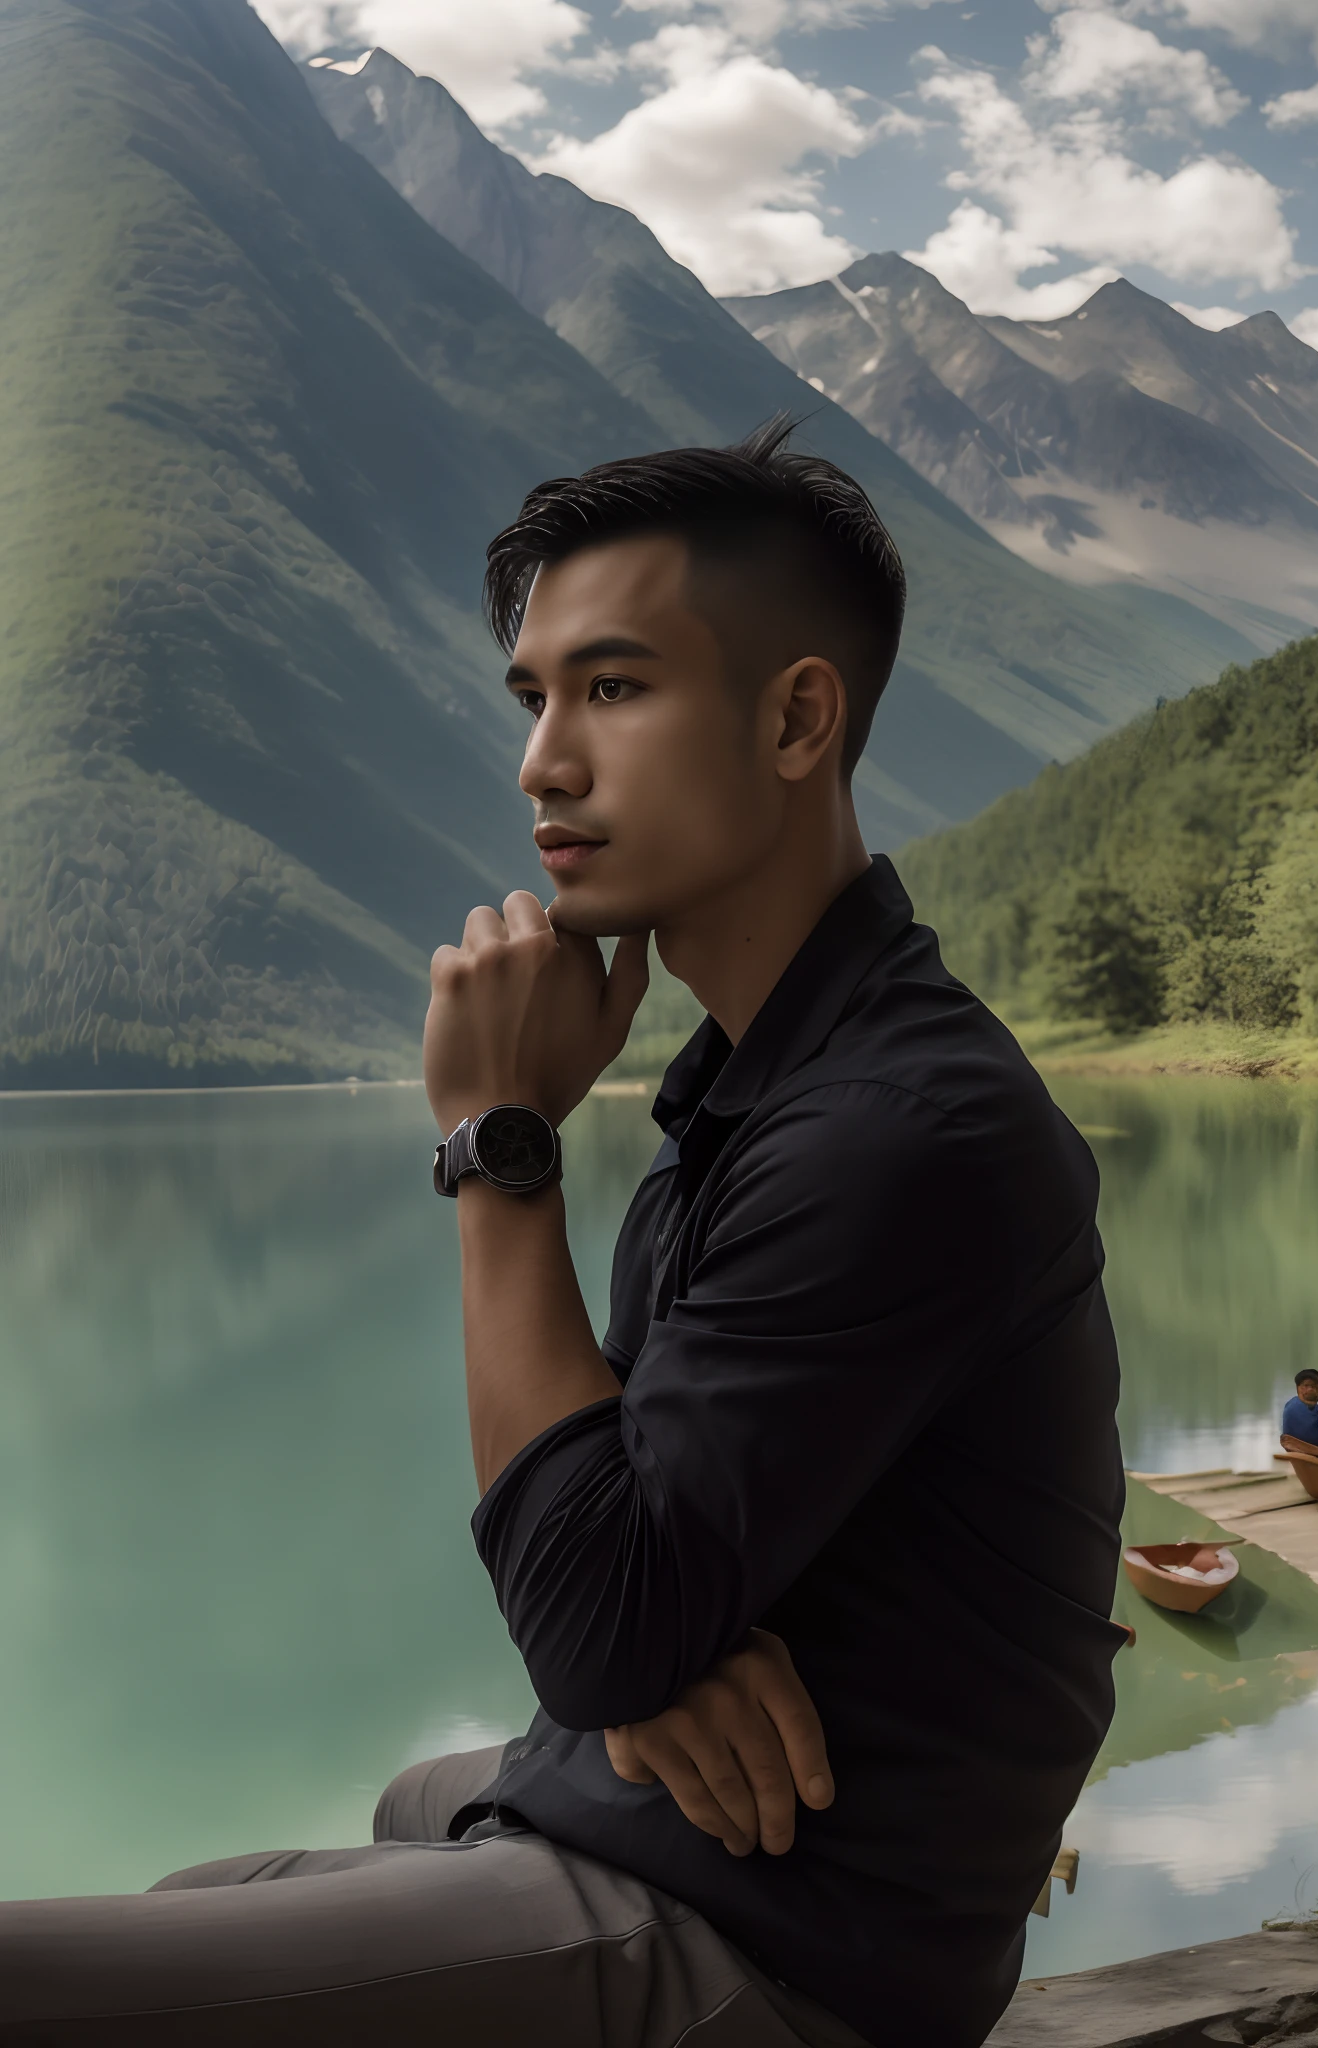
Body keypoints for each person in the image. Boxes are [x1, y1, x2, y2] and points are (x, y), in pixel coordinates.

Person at [0, 421, 1125, 2048]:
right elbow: (615, 1557)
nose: (542, 760)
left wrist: (500, 1147)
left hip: (790, 1955)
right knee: (309, 1848)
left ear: (798, 714)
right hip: (709, 1855)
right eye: (534, 697)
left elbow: (592, 1608)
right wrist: (646, 1662)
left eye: (613, 687)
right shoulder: (767, 1076)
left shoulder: (894, 1126)